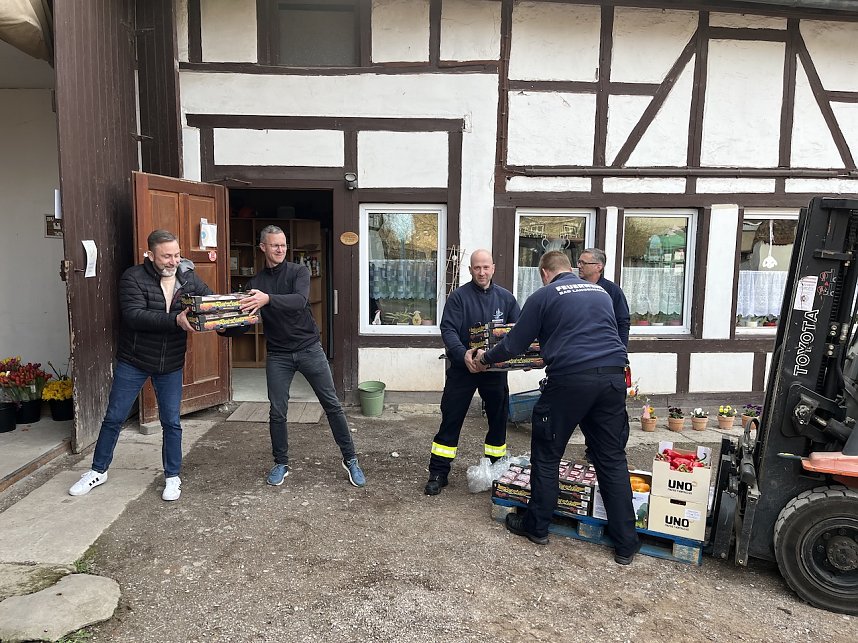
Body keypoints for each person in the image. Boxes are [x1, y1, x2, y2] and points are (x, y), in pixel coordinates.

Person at [472, 250, 640, 565]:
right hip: (613, 379)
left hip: (571, 382)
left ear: (545, 273)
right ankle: (626, 545)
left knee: (547, 455)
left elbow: (513, 345)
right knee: (612, 459)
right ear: (569, 269)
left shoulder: (545, 295)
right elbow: (600, 334)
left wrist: (484, 358)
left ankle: (536, 527)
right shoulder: (600, 292)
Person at [69, 230, 213, 501]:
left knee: (171, 422)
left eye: (177, 254)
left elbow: (208, 302)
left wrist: (232, 315)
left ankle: (172, 477)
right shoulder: (133, 277)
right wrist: (175, 321)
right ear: (150, 255)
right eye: (166, 256)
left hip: (170, 362)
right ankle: (98, 470)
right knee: (114, 417)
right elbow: (135, 316)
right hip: (133, 360)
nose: (173, 261)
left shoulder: (188, 277)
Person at [237, 225, 365, 488]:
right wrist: (220, 325)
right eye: (275, 245)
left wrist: (267, 299)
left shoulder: (299, 272)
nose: (281, 249)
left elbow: (298, 300)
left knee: (332, 404)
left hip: (309, 349)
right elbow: (247, 322)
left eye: (283, 244)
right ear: (263, 247)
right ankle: (280, 463)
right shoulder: (255, 284)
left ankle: (350, 459)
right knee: (277, 410)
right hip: (278, 355)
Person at [424, 249, 520, 495]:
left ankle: (496, 469)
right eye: (477, 267)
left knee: (498, 421)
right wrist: (462, 354)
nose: (482, 272)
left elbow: (516, 333)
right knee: (451, 418)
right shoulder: (458, 298)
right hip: (462, 369)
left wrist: (497, 359)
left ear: (493, 268)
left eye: (486, 267)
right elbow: (449, 330)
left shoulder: (507, 299)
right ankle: (438, 472)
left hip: (494, 370)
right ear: (470, 270)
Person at [576, 248, 630, 347]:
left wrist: (622, 351)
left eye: (583, 263)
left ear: (599, 267)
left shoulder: (613, 290)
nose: (579, 266)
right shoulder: (573, 288)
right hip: (578, 347)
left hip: (604, 348)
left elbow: (622, 322)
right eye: (579, 262)